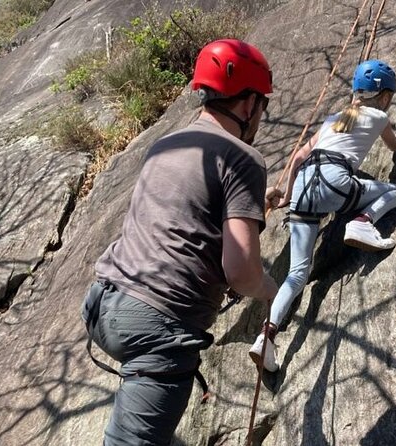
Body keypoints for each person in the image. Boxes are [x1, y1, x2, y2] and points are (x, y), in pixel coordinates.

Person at [81, 39, 279, 446]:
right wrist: (268, 289)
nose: (261, 117)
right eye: (263, 106)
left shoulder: (168, 143)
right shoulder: (243, 157)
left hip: (103, 302)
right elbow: (241, 272)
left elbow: (183, 210)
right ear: (248, 105)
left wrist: (256, 204)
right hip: (158, 325)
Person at [248, 60, 396, 372]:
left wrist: (286, 197)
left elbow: (299, 156)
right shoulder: (379, 116)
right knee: (395, 192)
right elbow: (395, 145)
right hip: (334, 181)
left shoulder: (333, 119)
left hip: (303, 187)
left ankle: (265, 337)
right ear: (383, 96)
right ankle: (363, 223)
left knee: (297, 274)